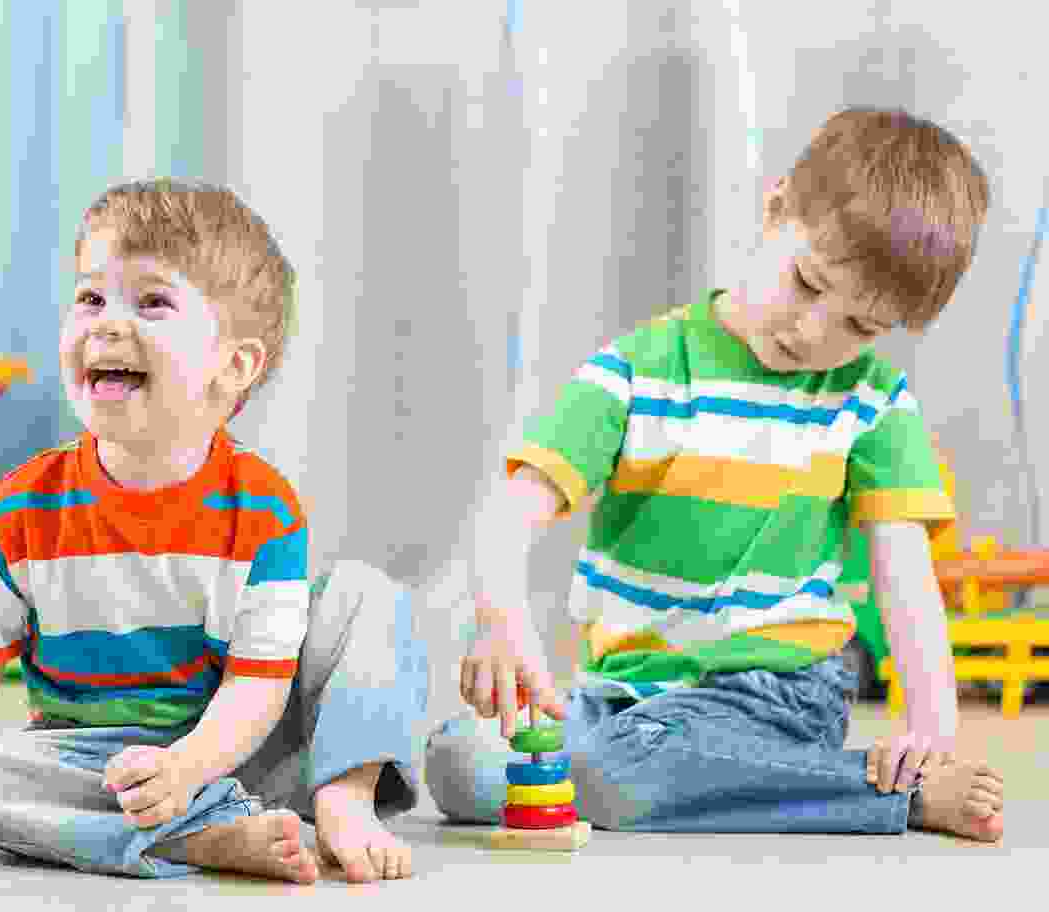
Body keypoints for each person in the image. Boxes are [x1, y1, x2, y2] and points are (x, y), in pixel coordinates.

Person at [426, 107, 1004, 840]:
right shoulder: (636, 369)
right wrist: (499, 620)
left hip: (775, 694)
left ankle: (884, 794)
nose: (813, 332)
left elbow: (905, 576)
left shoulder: (873, 402)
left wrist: (931, 731)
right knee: (457, 759)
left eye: (860, 326)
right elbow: (510, 513)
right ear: (776, 209)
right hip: (622, 697)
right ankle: (662, 780)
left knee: (615, 772)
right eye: (807, 282)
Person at [0, 179, 427, 882]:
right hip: (93, 766)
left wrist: (187, 767)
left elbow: (257, 687)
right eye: (91, 298)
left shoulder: (264, 510)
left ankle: (342, 796)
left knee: (364, 594)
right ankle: (194, 837)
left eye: (151, 303)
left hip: (242, 747)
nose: (107, 325)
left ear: (233, 365)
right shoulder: (16, 511)